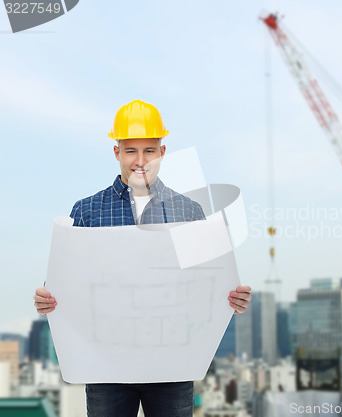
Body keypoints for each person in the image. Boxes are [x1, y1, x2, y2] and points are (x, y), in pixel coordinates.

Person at [32, 99, 252, 417]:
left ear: (162, 153)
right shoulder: (87, 211)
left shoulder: (188, 212)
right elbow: (67, 283)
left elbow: (207, 286)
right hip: (105, 366)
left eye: (149, 150)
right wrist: (47, 298)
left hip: (172, 365)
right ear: (117, 152)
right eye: (131, 151)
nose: (140, 161)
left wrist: (233, 298)